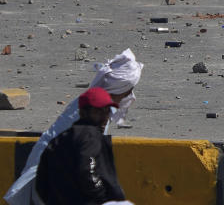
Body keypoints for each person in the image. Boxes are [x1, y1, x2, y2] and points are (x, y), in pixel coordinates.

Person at [4, 49, 143, 205]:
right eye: (128, 91)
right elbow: (87, 167)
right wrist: (101, 196)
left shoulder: (86, 107)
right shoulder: (90, 125)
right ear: (122, 91)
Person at [35, 88, 127, 205]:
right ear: (83, 112)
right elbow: (87, 169)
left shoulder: (59, 140)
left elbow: (41, 183)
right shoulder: (90, 134)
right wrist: (102, 197)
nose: (105, 117)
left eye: (107, 111)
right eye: (99, 111)